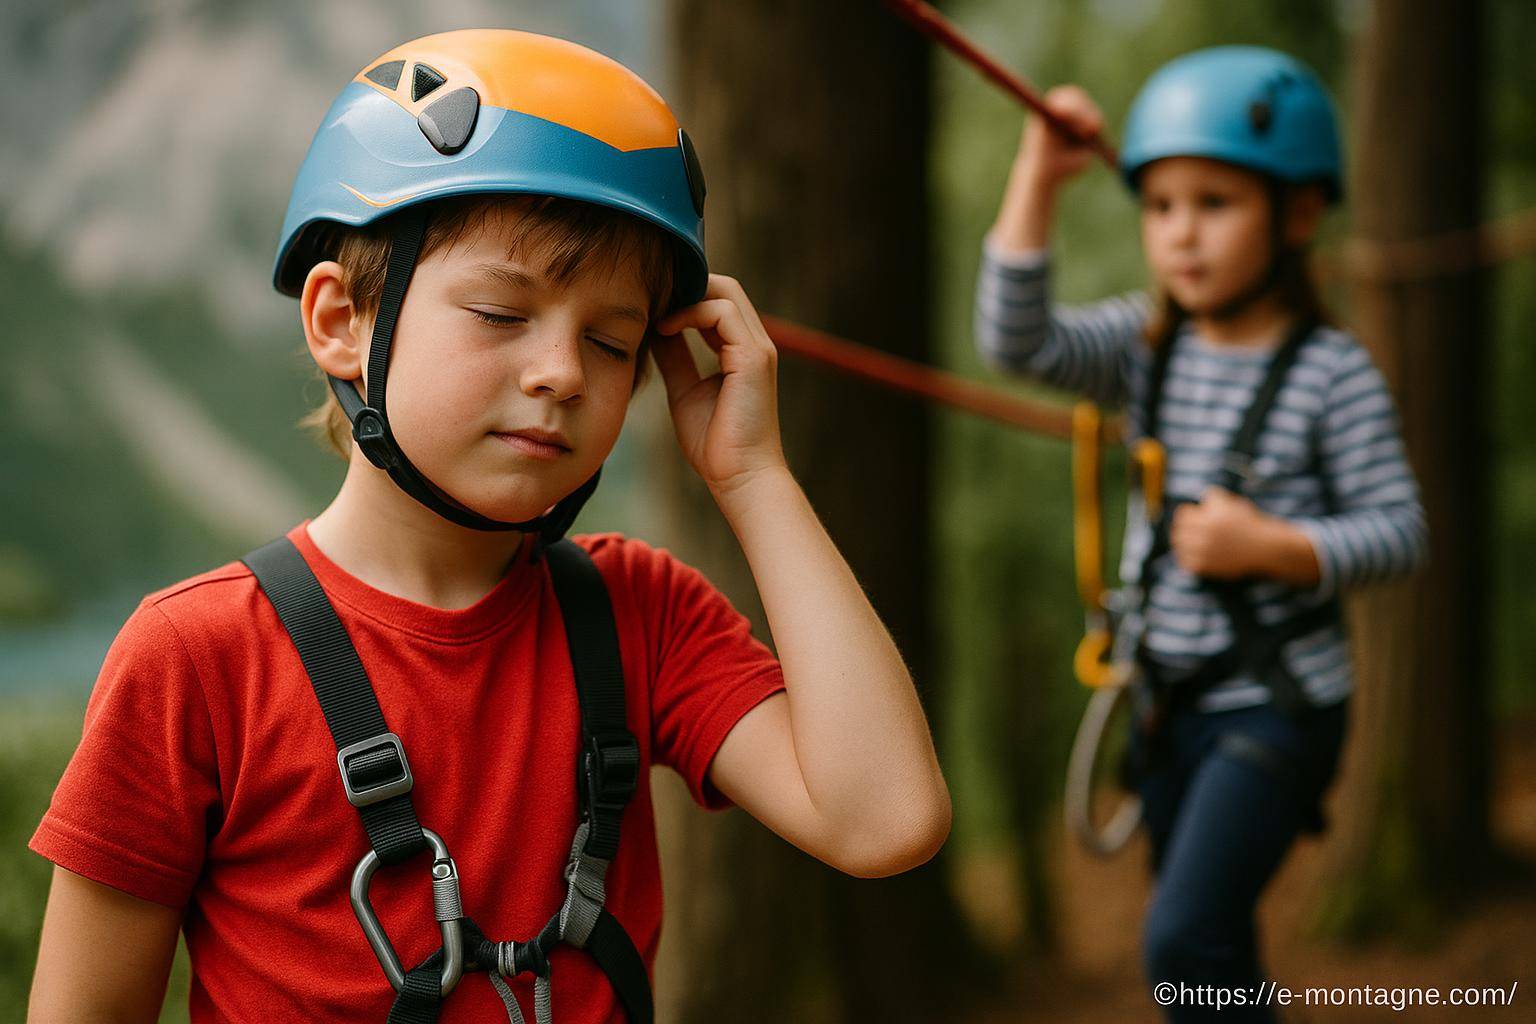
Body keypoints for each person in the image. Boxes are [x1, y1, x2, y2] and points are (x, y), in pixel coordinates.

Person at [28, 29, 950, 1024]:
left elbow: (886, 820)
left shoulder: (642, 615)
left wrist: (753, 473)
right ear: (340, 320)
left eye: (611, 341)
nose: (563, 371)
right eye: (503, 314)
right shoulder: (196, 661)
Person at [974, 47, 1427, 1021]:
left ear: (1298, 215)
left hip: (1277, 704)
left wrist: (1276, 547)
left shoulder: (1330, 373)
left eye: (1214, 204)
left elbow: (1398, 531)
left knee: (1183, 938)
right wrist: (1035, 177)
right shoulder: (1147, 347)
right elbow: (1017, 341)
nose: (1181, 234)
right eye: (1162, 205)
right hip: (1168, 706)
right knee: (1206, 949)